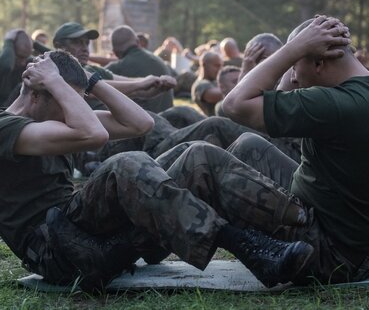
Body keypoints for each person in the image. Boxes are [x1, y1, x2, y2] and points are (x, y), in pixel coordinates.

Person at [1, 50, 313, 292]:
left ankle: (300, 221)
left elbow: (140, 123)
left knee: (196, 155)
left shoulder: (59, 116)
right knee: (126, 163)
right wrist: (56, 81)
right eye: (66, 98)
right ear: (37, 91)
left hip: (91, 240)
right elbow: (93, 135)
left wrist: (92, 79)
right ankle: (245, 245)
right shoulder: (5, 126)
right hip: (54, 248)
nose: (73, 108)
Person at [223, 15, 369, 285]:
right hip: (361, 251)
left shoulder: (336, 104)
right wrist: (300, 54)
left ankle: (145, 233)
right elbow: (283, 91)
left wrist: (291, 49)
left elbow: (234, 105)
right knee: (248, 146)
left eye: (294, 65)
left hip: (329, 257)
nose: (292, 75)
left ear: (320, 63)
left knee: (202, 161)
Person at [106, 25, 175, 113]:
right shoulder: (158, 59)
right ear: (138, 42)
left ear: (114, 52)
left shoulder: (116, 68)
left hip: (147, 122)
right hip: (170, 119)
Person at [0, 28, 33, 106]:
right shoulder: (4, 62)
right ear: (11, 50)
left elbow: (57, 62)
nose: (23, 63)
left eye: (26, 57)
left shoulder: (28, 62)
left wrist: (34, 43)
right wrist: (8, 42)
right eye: (20, 57)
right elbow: (6, 66)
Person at [191, 51, 224, 116]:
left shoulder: (215, 81)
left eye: (221, 66)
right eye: (217, 66)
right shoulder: (200, 85)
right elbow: (219, 95)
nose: (220, 69)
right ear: (204, 64)